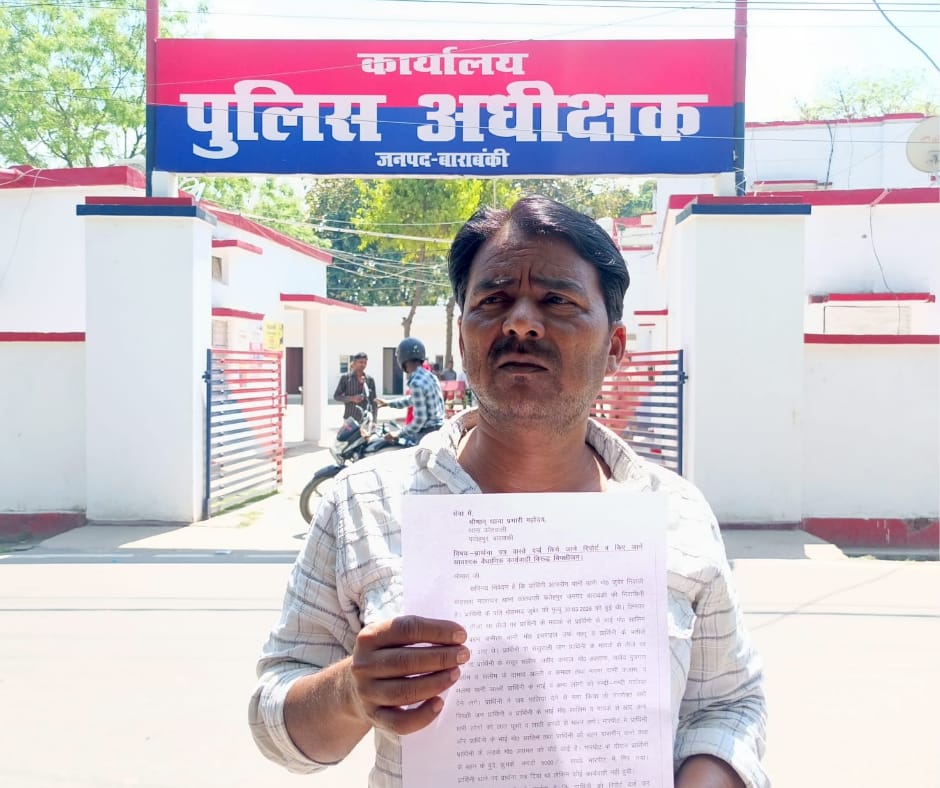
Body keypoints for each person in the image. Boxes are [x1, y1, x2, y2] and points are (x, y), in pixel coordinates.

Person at [249, 196, 769, 788]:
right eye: (493, 300)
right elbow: (277, 723)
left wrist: (709, 776)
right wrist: (350, 691)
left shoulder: (676, 514)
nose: (521, 322)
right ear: (463, 335)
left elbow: (728, 705)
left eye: (558, 301)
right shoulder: (362, 504)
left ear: (615, 348)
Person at [374, 337, 445, 446]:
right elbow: (413, 400)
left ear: (402, 359)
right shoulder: (430, 376)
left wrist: (398, 433)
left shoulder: (416, 382)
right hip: (439, 430)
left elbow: (420, 420)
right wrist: (389, 403)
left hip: (427, 434)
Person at [333, 351, 377, 422]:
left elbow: (374, 402)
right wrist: (351, 398)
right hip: (349, 418)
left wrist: (374, 421)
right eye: (361, 362)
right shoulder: (346, 378)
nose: (363, 364)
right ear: (354, 363)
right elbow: (336, 396)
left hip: (365, 419)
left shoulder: (370, 380)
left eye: (365, 362)